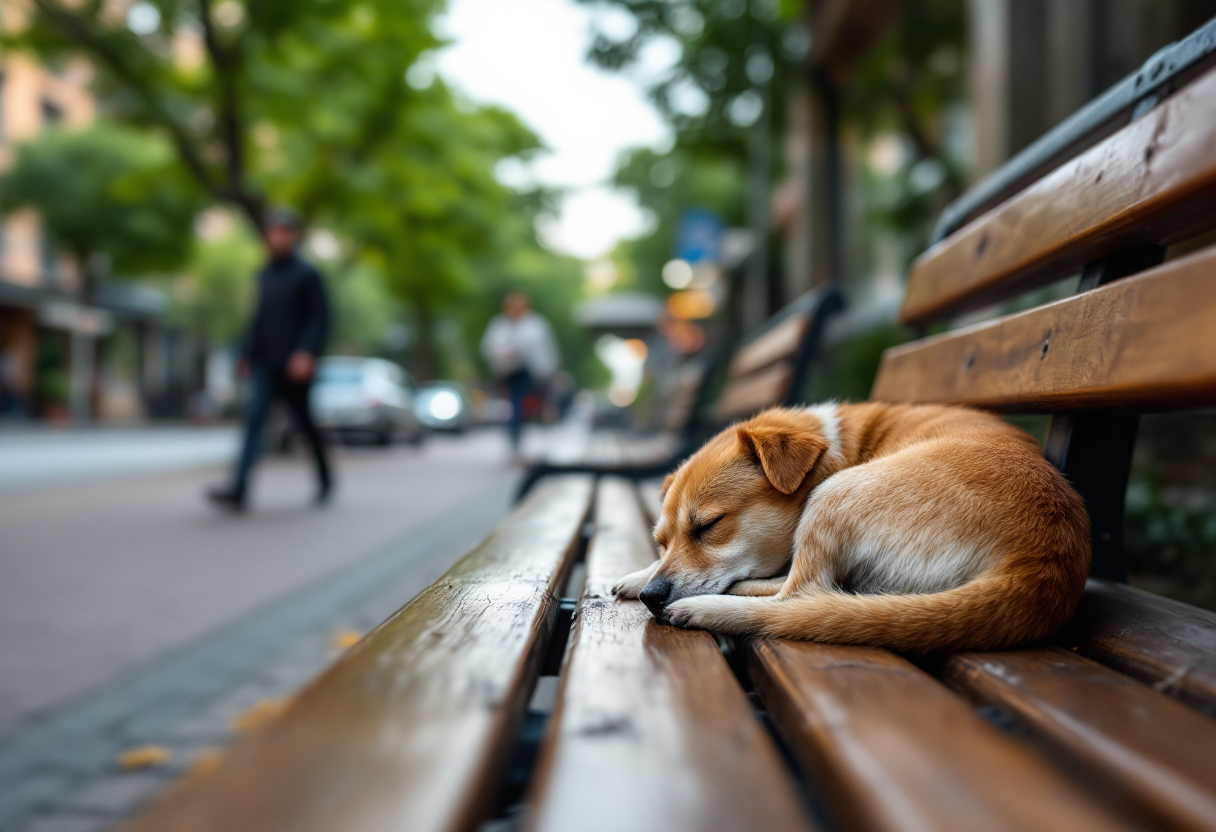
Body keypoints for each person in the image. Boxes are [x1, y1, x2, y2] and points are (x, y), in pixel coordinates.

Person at [208, 208, 332, 511]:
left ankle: (325, 478)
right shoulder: (264, 275)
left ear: (293, 235)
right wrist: (246, 354)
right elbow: (259, 321)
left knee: (304, 425)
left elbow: (320, 318)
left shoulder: (308, 274)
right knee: (254, 421)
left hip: (294, 366)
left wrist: (306, 352)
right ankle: (239, 488)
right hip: (266, 363)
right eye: (273, 231)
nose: (277, 237)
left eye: (283, 231)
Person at [480, 292, 559, 453]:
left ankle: (532, 445)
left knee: (530, 408)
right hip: (509, 373)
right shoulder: (500, 324)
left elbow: (545, 351)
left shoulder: (536, 324)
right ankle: (515, 444)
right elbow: (488, 347)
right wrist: (502, 353)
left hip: (533, 373)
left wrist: (548, 372)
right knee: (514, 408)